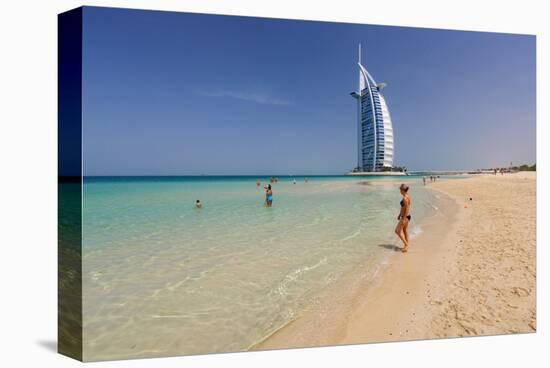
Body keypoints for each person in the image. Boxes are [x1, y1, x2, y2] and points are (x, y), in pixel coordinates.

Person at [395, 184, 411, 252]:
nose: (399, 191)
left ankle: (406, 245)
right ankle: (406, 245)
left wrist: (403, 219)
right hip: (406, 216)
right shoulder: (407, 196)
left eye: (400, 190)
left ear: (402, 190)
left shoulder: (405, 198)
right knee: (404, 231)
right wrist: (399, 214)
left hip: (405, 217)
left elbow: (407, 208)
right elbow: (403, 207)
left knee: (397, 231)